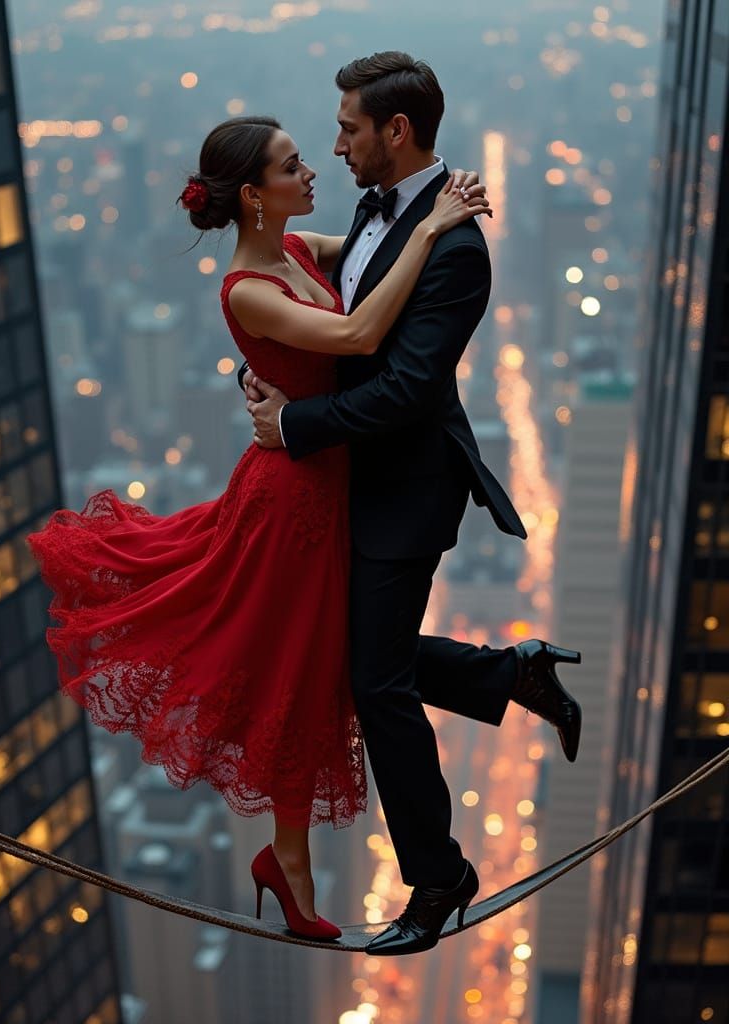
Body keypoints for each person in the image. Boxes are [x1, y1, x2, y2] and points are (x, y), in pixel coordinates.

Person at [25, 113, 490, 943]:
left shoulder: (296, 251)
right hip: (293, 500)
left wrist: (428, 206)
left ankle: (288, 861)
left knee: (313, 661)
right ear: (252, 194)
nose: (311, 169)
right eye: (290, 165)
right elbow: (356, 332)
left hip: (323, 485)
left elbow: (370, 251)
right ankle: (292, 865)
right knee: (296, 668)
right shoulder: (249, 286)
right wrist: (437, 228)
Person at [244, 51, 583, 955]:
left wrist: (295, 424)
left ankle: (439, 880)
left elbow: (401, 390)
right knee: (359, 652)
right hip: (361, 483)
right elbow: (351, 281)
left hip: (406, 493)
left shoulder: (457, 249)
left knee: (374, 681)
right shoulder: (382, 206)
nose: (338, 142)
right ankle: (513, 675)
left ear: (396, 133)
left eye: (350, 127)